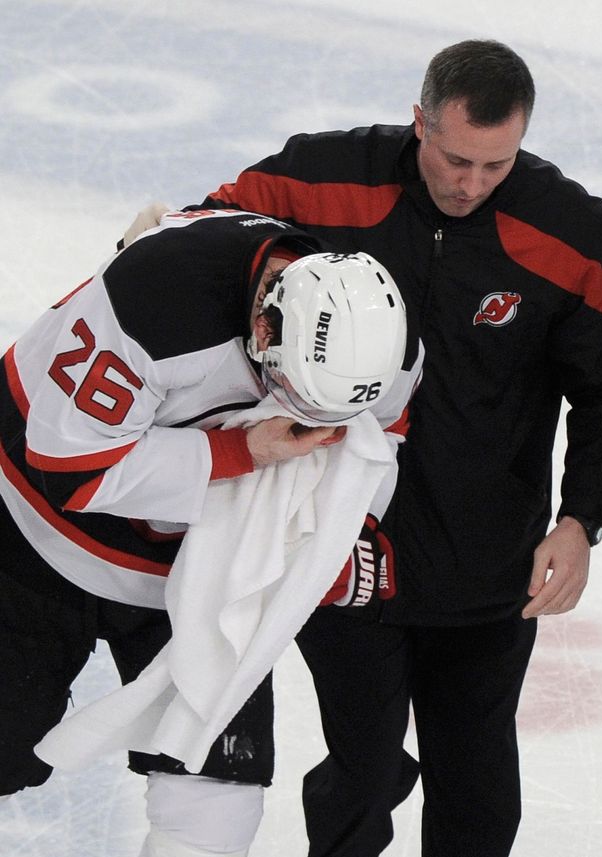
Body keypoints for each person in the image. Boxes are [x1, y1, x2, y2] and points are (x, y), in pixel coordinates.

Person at [122, 39, 602, 857]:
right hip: (342, 555)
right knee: (360, 775)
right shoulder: (325, 179)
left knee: (476, 791)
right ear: (420, 122)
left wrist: (586, 518)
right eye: (456, 158)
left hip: (490, 573)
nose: (471, 183)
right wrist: (155, 240)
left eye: (496, 164)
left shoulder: (574, 233)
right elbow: (211, 237)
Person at [0, 207, 419, 857]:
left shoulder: (378, 340)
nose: (310, 425)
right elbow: (68, 471)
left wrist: (346, 531)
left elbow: (382, 430)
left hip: (197, 567)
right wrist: (241, 453)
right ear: (262, 325)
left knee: (218, 801)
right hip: (36, 536)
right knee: (5, 747)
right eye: (293, 393)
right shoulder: (151, 305)